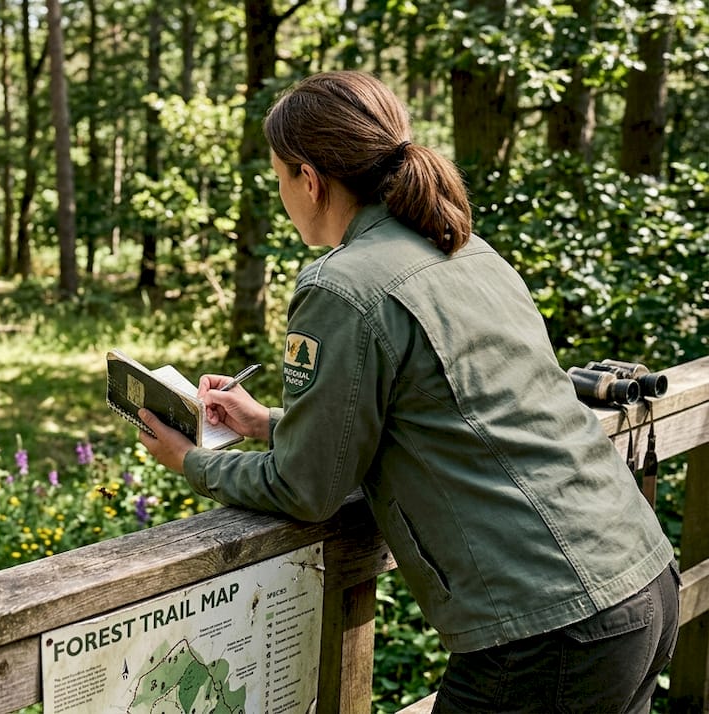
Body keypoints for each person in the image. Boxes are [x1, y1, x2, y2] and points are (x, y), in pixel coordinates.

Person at [136, 71, 678, 713]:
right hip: (641, 583)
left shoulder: (338, 288)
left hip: (548, 630)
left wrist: (192, 461)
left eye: (280, 177)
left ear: (310, 179)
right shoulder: (470, 251)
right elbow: (451, 411)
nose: (282, 194)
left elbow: (306, 489)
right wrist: (265, 422)